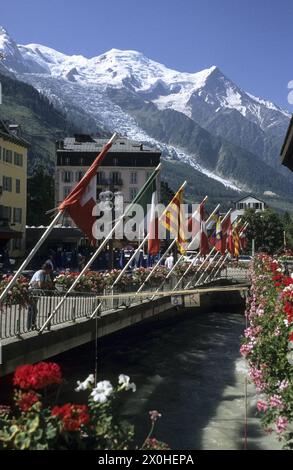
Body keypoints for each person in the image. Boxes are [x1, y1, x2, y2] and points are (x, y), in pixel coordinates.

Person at [27, 263, 54, 330]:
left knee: (34, 309)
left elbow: (51, 285)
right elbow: (40, 285)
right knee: (32, 309)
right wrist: (47, 283)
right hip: (32, 292)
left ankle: (32, 324)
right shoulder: (39, 273)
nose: (50, 272)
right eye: (49, 270)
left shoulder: (47, 274)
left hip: (37, 293)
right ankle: (30, 325)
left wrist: (47, 283)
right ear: (46, 269)